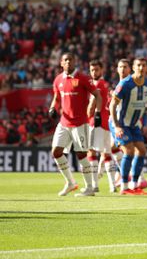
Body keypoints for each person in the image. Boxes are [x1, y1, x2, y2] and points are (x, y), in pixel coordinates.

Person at [109, 57, 147, 195]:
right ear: (133, 68)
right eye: (138, 65)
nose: (141, 68)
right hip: (120, 123)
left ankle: (134, 185)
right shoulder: (125, 83)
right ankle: (124, 186)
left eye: (143, 65)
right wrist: (116, 126)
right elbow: (112, 104)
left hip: (133, 125)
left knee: (141, 151)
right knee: (128, 151)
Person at [49, 53, 103, 197]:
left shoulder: (83, 78)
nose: (68, 62)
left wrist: (97, 113)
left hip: (80, 123)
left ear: (74, 61)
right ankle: (70, 182)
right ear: (61, 63)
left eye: (70, 59)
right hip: (64, 122)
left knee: (81, 154)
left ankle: (90, 187)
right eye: (65, 60)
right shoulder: (58, 80)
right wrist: (52, 107)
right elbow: (56, 97)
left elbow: (97, 94)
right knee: (56, 152)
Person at [85, 59, 115, 193]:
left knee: (91, 152)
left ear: (101, 70)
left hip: (96, 122)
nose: (94, 72)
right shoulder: (106, 84)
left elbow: (92, 105)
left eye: (96, 69)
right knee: (107, 154)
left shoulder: (96, 84)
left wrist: (87, 117)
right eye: (91, 70)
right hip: (107, 123)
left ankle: (94, 185)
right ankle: (112, 186)